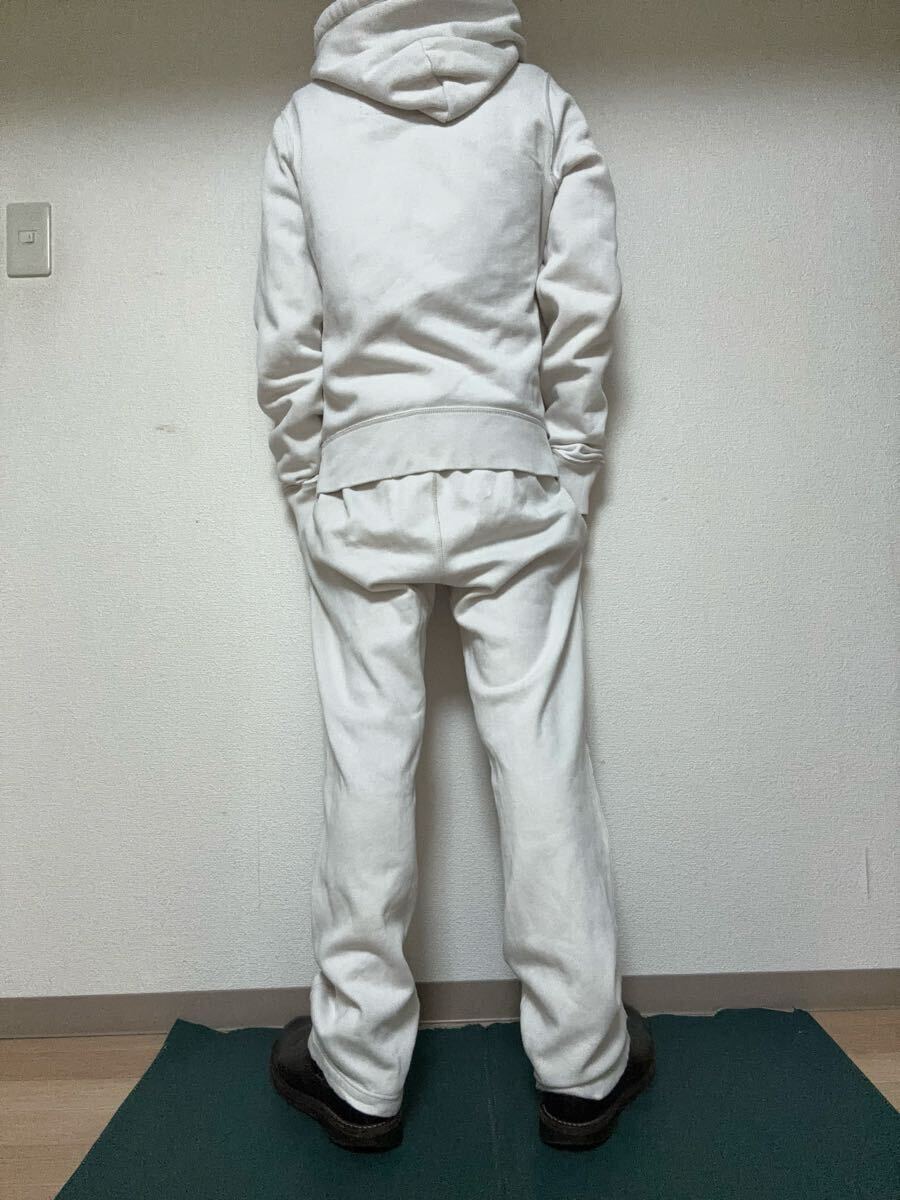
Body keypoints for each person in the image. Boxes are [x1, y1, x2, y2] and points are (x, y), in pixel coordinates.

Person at [254, 0, 654, 1153]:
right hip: (511, 472)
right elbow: (584, 308)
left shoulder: (307, 122)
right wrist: (568, 466)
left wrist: (309, 479)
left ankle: (357, 1072)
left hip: (361, 481)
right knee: (543, 761)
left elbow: (287, 337)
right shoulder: (541, 108)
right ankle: (583, 1066)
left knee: (367, 768)